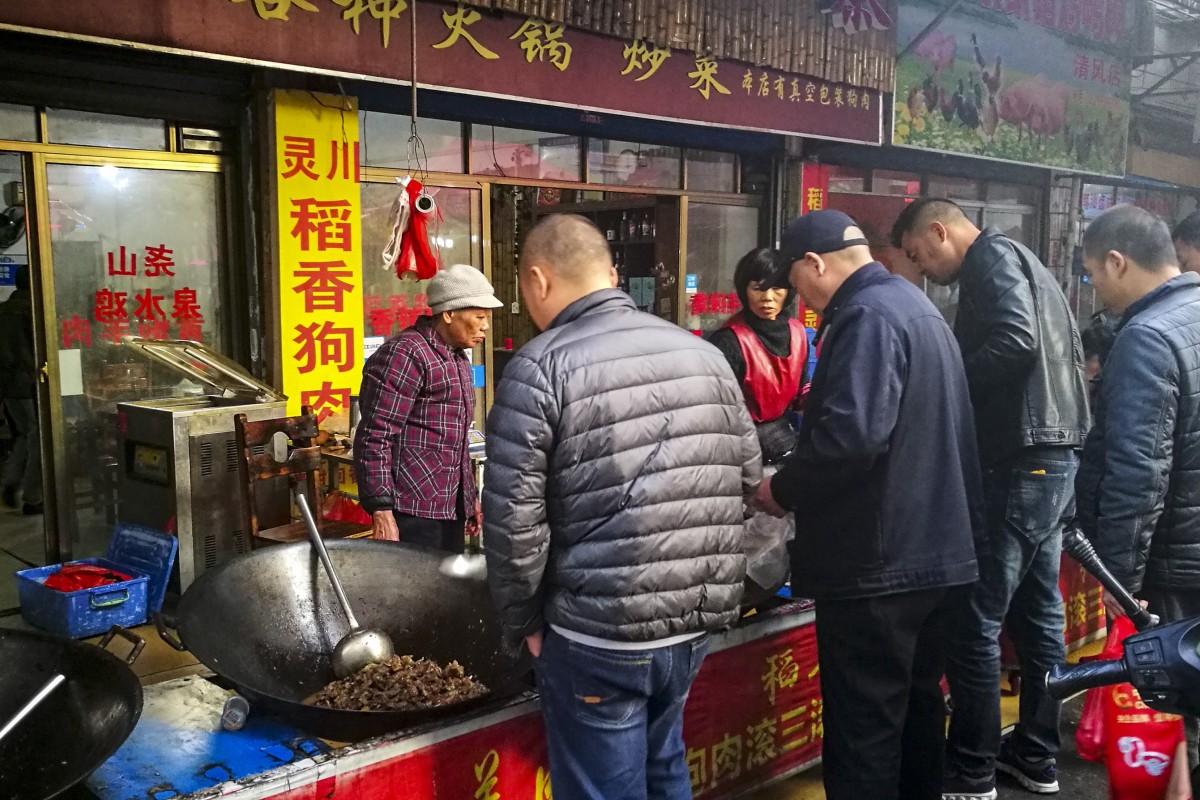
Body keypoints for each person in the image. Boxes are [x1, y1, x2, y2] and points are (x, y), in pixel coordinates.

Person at [483, 213, 761, 800]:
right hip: (693, 621)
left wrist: (525, 624)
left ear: (536, 279)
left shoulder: (538, 368)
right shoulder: (705, 354)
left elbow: (513, 526)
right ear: (610, 275)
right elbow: (747, 478)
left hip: (599, 634)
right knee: (664, 766)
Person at [754, 210, 984, 800]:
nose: (795, 297)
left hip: (878, 566)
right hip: (935, 556)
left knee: (865, 733)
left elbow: (848, 439)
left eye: (795, 281)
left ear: (816, 264)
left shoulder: (864, 316)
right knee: (916, 711)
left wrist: (780, 490)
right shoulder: (914, 305)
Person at [892, 198, 1089, 799]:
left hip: (1021, 459)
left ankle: (972, 766)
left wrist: (946, 380)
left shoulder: (991, 258)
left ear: (938, 230)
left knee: (974, 621)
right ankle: (1035, 755)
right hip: (1055, 454)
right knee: (1038, 620)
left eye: (922, 257)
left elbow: (1015, 340)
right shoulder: (1027, 259)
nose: (924, 270)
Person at [1076, 204, 1200, 778]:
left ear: (1118, 262)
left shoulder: (1147, 337)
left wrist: (1118, 581)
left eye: (1093, 274)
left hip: (1176, 569)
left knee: (1182, 717)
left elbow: (1137, 472)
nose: (1096, 289)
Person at [354, 264, 501, 553]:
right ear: (448, 314)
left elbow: (454, 438)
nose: (485, 326)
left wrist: (468, 498)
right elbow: (375, 436)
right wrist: (381, 509)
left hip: (447, 507)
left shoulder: (457, 358)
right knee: (413, 594)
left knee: (444, 592)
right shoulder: (405, 354)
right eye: (480, 317)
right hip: (411, 508)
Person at [708, 247, 808, 464]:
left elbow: (803, 391)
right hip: (740, 446)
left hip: (785, 439)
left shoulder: (798, 332)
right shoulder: (730, 340)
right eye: (757, 289)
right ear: (745, 291)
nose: (767, 298)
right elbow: (716, 411)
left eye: (776, 288)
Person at [0, 266, 42, 515]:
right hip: (29, 383)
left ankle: (11, 481)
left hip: (8, 387)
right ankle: (33, 497)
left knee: (24, 435)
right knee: (38, 438)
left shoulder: (3, 310)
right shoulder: (32, 311)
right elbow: (35, 350)